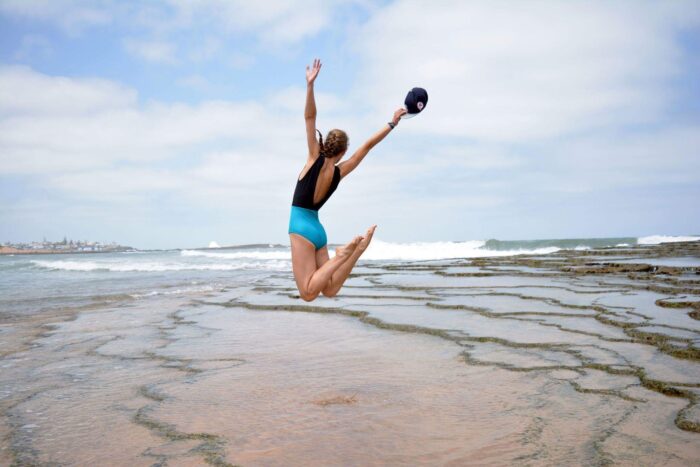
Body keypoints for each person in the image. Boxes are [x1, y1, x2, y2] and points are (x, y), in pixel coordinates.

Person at [288, 58, 407, 301]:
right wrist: (392, 123)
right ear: (342, 152)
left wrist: (310, 86)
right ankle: (356, 252)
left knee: (308, 293)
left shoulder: (313, 157)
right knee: (329, 290)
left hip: (301, 227)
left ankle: (343, 254)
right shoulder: (340, 172)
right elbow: (367, 146)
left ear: (326, 144)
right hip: (318, 231)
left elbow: (310, 118)